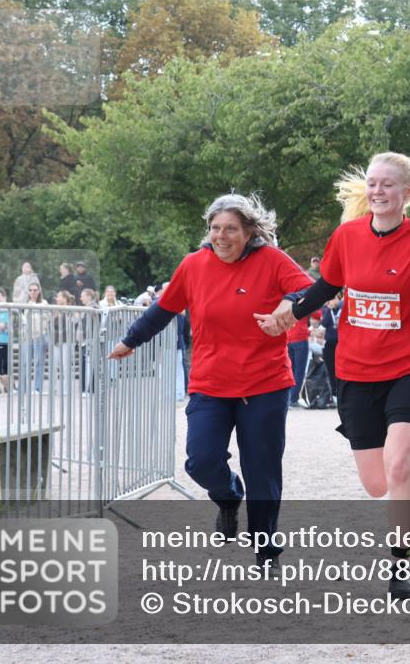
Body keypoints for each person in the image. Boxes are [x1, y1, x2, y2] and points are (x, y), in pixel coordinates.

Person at [261, 152, 410, 601]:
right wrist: (290, 312)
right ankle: (399, 488)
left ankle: (400, 567)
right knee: (377, 483)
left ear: (408, 193)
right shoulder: (346, 237)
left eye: (388, 184)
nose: (379, 191)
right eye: (373, 183)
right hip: (357, 368)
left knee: (401, 465)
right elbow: (327, 286)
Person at [109, 193, 313, 568]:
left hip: (264, 382)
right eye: (215, 228)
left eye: (231, 229)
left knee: (262, 468)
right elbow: (163, 309)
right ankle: (228, 496)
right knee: (200, 461)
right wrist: (130, 340)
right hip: (210, 382)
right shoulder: (194, 265)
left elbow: (309, 289)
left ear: (249, 232)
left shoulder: (271, 260)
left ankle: (266, 548)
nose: (221, 236)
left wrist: (291, 304)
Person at [20, 281, 49, 393]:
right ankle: (24, 388)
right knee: (25, 362)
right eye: (31, 290)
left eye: (35, 290)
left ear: (39, 291)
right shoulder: (25, 303)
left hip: (39, 335)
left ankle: (37, 388)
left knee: (38, 362)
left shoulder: (44, 303)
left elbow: (46, 318)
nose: (33, 292)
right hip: (27, 336)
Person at [320, 295, 341, 398]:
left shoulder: (343, 309)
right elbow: (323, 323)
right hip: (329, 343)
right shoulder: (326, 310)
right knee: (331, 368)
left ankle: (341, 392)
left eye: (334, 298)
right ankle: (334, 393)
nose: (332, 301)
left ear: (339, 299)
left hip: (341, 342)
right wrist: (328, 310)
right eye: (330, 299)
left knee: (340, 368)